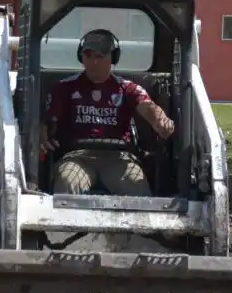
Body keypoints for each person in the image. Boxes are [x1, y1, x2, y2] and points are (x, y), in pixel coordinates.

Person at [40, 29, 175, 195]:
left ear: (113, 58)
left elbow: (148, 107)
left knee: (137, 187)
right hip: (77, 158)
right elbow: (47, 121)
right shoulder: (63, 88)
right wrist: (43, 132)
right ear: (81, 57)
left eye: (99, 56)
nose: (93, 62)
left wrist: (160, 120)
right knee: (66, 182)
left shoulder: (127, 88)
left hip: (118, 159)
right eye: (88, 55)